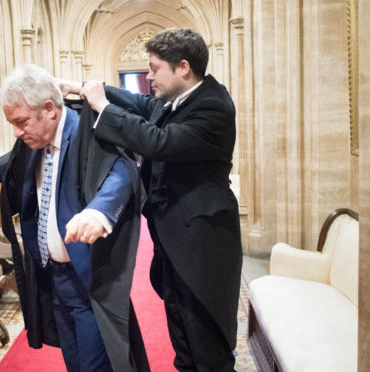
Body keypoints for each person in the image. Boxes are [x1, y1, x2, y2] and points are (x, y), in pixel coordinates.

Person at [60, 28, 242, 372]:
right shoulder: (176, 101)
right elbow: (143, 104)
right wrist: (85, 89)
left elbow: (158, 141)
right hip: (175, 243)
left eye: (155, 69)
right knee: (184, 340)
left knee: (208, 346)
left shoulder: (213, 106)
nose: (148, 76)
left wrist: (102, 108)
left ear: (183, 67)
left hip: (203, 247)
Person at [0, 65, 149, 372]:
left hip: (89, 280)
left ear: (50, 109)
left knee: (99, 366)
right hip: (54, 279)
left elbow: (120, 172)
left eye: (21, 122)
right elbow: (10, 161)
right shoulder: (34, 140)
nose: (17, 132)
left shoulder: (90, 130)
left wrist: (99, 211)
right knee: (75, 364)